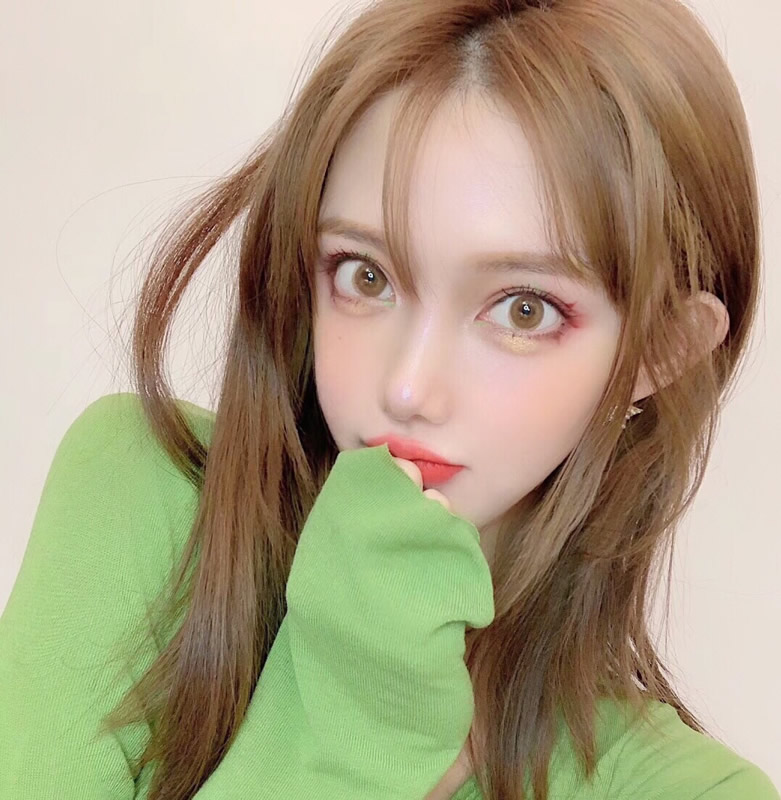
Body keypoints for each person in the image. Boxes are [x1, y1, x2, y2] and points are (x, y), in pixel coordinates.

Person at [1, 0, 777, 798]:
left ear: (659, 348)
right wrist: (349, 731)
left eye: (523, 310)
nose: (407, 386)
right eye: (365, 276)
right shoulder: (146, 495)